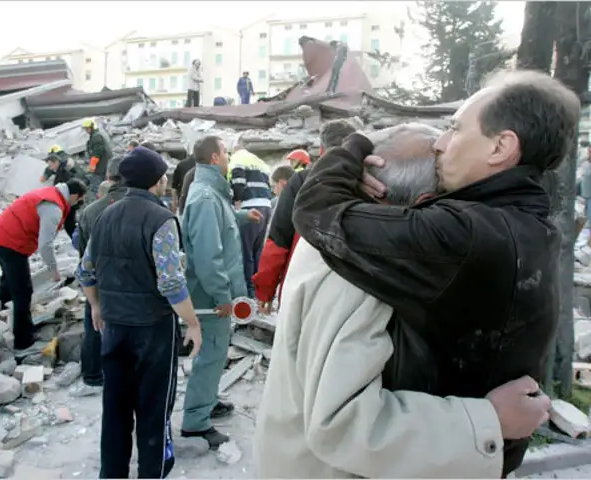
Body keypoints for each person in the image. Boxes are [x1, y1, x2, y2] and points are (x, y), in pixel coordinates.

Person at [289, 70, 580, 476]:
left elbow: (315, 212)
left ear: (501, 146)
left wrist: (350, 147)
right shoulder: (531, 225)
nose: (440, 145)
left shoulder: (463, 235)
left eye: (456, 129)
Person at [78, 146, 202, 479]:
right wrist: (192, 323)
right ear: (157, 180)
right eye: (163, 176)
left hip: (115, 326)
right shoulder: (160, 218)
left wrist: (96, 305)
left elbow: (86, 271)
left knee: (115, 409)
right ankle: (153, 471)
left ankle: (112, 473)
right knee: (154, 408)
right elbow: (172, 283)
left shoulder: (104, 215)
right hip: (153, 330)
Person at [181, 135, 262, 448]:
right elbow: (206, 255)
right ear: (215, 158)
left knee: (216, 354)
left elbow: (219, 225)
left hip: (216, 293)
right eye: (226, 153)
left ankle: (208, 401)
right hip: (210, 296)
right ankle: (195, 423)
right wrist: (222, 297)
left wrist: (242, 217)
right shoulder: (205, 197)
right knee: (210, 354)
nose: (229, 158)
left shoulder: (213, 193)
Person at [253, 119, 357, 313]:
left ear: (322, 148)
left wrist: (265, 290)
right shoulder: (371, 183)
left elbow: (279, 239)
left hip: (300, 287)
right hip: (353, 293)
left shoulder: (301, 181)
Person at [0, 179, 88, 351]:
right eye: (78, 200)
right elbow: (45, 244)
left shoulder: (50, 193)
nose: (77, 204)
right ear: (75, 195)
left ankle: (2, 314)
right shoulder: (53, 207)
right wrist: (53, 269)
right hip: (10, 243)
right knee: (23, 291)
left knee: (9, 276)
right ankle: (23, 340)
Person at [70, 156, 127, 398]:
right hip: (131, 283)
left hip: (100, 280)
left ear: (107, 178)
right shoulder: (144, 205)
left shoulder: (90, 211)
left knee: (93, 323)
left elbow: (84, 255)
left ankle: (92, 375)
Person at [230, 143, 272, 297]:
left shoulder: (237, 158)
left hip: (249, 207)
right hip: (266, 206)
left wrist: (237, 201)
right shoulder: (259, 161)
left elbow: (238, 181)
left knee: (245, 251)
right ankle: (259, 289)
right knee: (257, 251)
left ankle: (249, 291)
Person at [42, 151, 89, 239]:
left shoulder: (64, 171)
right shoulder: (60, 169)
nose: (50, 168)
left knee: (69, 223)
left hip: (71, 201)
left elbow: (71, 187)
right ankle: (79, 239)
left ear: (56, 162)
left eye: (51, 165)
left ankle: (79, 240)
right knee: (70, 222)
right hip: (71, 200)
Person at [83, 118, 113, 196]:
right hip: (103, 162)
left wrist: (92, 164)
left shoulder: (96, 136)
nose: (86, 130)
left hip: (103, 163)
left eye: (87, 128)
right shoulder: (96, 135)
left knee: (99, 180)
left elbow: (97, 151)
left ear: (91, 127)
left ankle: (101, 196)